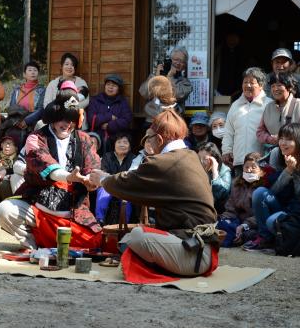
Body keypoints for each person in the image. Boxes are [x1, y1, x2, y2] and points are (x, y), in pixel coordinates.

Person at [89, 109, 219, 277]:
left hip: (193, 253)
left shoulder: (163, 162)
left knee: (136, 236)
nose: (146, 144)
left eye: (148, 138)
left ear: (158, 139)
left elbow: (128, 183)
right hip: (201, 249)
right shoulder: (191, 156)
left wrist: (102, 179)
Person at [0, 92, 101, 250]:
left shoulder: (84, 139)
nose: (67, 124)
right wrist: (69, 177)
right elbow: (44, 163)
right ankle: (32, 243)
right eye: (62, 119)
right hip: (38, 207)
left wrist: (91, 181)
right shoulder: (36, 138)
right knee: (4, 210)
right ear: (52, 118)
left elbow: (92, 167)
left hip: (73, 211)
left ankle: (51, 243)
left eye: (71, 120)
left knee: (94, 244)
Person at [243, 123, 300, 251]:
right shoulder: (276, 154)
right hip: (281, 204)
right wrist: (288, 171)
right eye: (281, 138)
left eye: (289, 139)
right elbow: (272, 190)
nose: (283, 143)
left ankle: (279, 239)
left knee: (272, 221)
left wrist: (299, 172)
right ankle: (265, 238)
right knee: (259, 192)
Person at [222, 67, 272, 174]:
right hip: (239, 161)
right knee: (240, 190)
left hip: (261, 161)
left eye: (252, 82)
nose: (248, 85)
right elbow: (228, 131)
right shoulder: (235, 105)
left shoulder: (269, 105)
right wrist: (226, 151)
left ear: (261, 86)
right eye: (245, 82)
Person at [216, 152, 268, 247]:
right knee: (221, 226)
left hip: (253, 224)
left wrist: (244, 226)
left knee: (248, 235)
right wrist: (225, 219)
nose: (249, 170)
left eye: (253, 167)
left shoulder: (264, 186)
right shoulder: (237, 183)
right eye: (246, 167)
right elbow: (231, 208)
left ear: (260, 169)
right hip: (237, 221)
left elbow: (260, 216)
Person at [257, 72, 300, 149]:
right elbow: (260, 132)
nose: (275, 89)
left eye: (279, 85)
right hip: (274, 152)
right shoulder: (268, 107)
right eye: (273, 86)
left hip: (296, 151)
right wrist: (270, 139)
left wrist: (285, 138)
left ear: (289, 87)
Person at [95, 133, 136, 225]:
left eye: (125, 142)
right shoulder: (107, 157)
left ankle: (126, 223)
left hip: (124, 187)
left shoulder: (133, 158)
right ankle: (99, 219)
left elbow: (132, 176)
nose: (122, 144)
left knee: (127, 197)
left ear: (129, 146)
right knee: (102, 189)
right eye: (119, 142)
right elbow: (103, 173)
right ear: (114, 145)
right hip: (109, 185)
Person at [86, 74, 133, 154]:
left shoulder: (122, 102)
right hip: (98, 135)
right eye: (108, 85)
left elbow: (127, 120)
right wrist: (109, 116)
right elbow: (91, 118)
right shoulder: (96, 100)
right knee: (92, 142)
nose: (110, 87)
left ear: (119, 89)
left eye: (114, 85)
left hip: (116, 135)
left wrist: (109, 126)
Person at [139, 46, 192, 114]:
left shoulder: (186, 83)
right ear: (170, 60)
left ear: (184, 65)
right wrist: (156, 77)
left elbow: (176, 95)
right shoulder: (158, 75)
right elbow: (143, 93)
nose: (178, 63)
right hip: (153, 119)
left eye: (182, 61)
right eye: (176, 59)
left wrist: (170, 77)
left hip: (172, 120)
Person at [8, 61, 46, 132]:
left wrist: (26, 121)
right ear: (24, 74)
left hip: (33, 123)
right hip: (16, 122)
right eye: (30, 70)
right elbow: (11, 108)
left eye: (35, 70)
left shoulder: (42, 90)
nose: (33, 72)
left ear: (38, 74)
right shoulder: (17, 90)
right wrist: (16, 122)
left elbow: (41, 109)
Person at [197, 142, 232, 213]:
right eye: (199, 158)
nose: (201, 162)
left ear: (214, 159)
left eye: (205, 159)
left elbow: (222, 193)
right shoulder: (197, 169)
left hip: (218, 210)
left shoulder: (225, 170)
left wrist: (215, 172)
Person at [215, 32, 246, 98]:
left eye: (235, 37)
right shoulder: (220, 50)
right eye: (231, 37)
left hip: (236, 87)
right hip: (220, 84)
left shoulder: (240, 52)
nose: (233, 39)